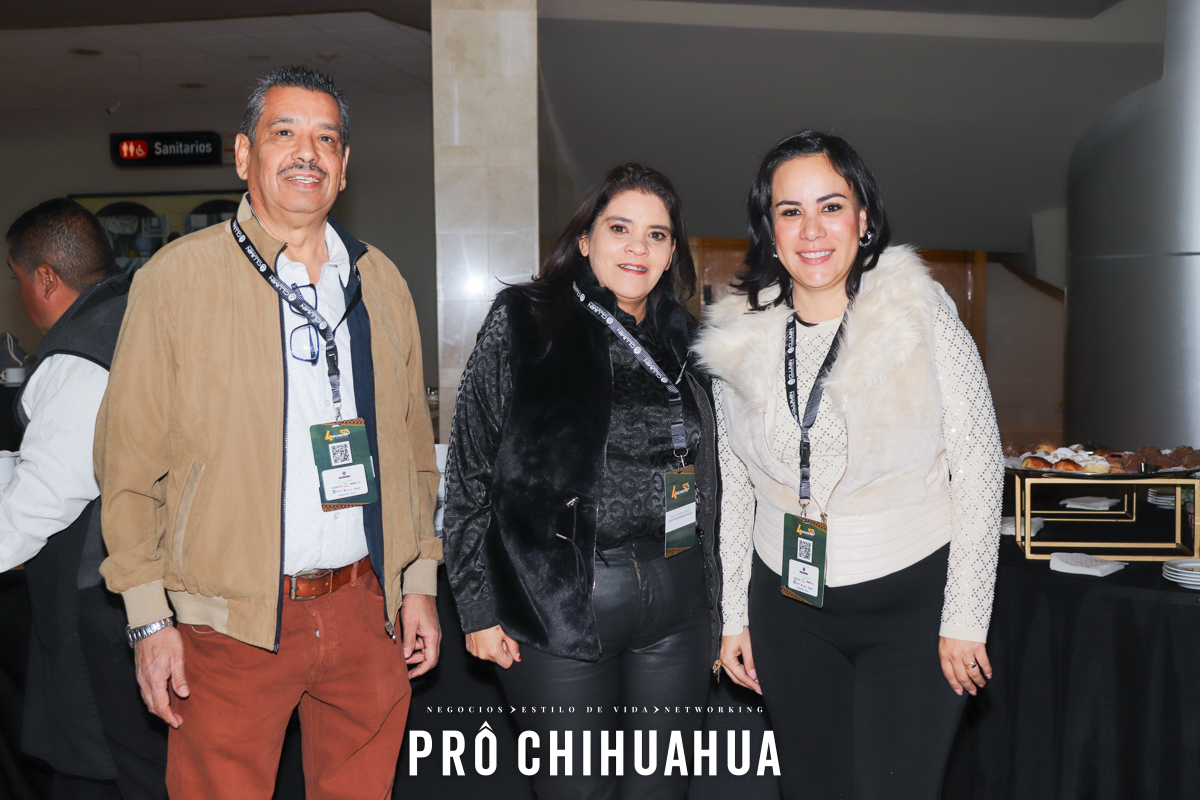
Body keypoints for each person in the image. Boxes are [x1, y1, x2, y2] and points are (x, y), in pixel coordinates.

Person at [94, 66, 442, 800]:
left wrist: (417, 583)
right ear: (244, 155)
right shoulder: (177, 280)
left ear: (344, 166)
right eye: (284, 133)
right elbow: (127, 465)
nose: (307, 152)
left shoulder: (380, 282)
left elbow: (413, 451)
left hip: (366, 610)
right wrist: (148, 620)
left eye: (326, 139)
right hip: (228, 625)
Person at [696, 130, 1003, 799]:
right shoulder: (737, 338)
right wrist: (733, 615)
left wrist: (965, 617)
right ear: (769, 227)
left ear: (863, 218)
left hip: (914, 608)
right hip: (787, 609)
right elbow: (737, 486)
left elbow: (980, 467)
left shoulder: (919, 314)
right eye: (790, 211)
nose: (812, 230)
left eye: (830, 206)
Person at [442, 164, 720, 800]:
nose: (637, 247)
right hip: (558, 601)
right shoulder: (527, 318)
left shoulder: (692, 341)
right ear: (587, 239)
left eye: (656, 235)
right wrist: (477, 607)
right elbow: (468, 472)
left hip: (679, 601)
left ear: (672, 252)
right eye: (620, 228)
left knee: (662, 792)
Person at [1, 198, 167, 800]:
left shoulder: (80, 355)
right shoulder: (139, 313)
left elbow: (41, 502)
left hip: (98, 607)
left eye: (18, 278)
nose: (20, 294)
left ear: (46, 278)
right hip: (147, 593)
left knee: (102, 776)